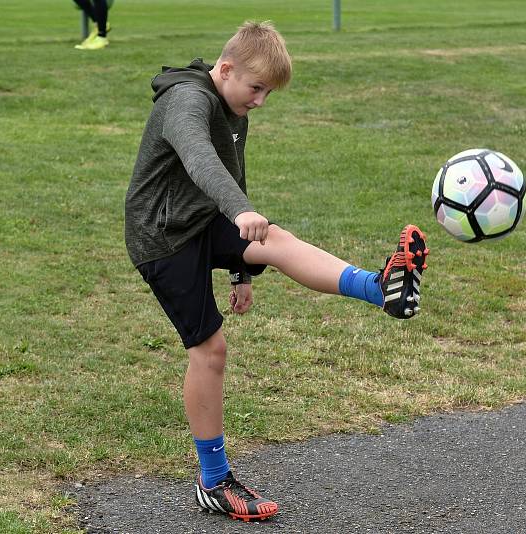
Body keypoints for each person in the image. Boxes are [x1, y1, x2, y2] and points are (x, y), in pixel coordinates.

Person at [124, 21, 429, 522]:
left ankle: (381, 289)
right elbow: (199, 159)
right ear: (225, 70)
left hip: (203, 221)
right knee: (209, 349)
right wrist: (240, 210)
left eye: (268, 91)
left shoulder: (232, 103)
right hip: (163, 239)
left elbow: (232, 169)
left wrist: (242, 269)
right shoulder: (185, 100)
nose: (261, 100)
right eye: (256, 87)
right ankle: (214, 481)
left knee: (276, 241)